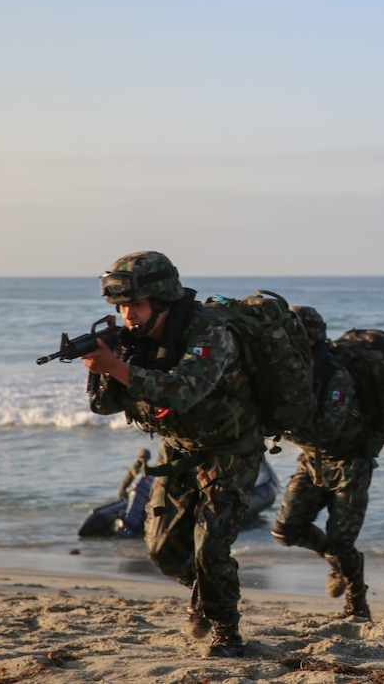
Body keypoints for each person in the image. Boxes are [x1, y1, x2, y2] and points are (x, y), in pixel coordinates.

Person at [82, 251, 266, 658]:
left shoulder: (209, 331)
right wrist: (100, 366)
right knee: (163, 551)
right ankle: (205, 592)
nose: (127, 314)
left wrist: (115, 366)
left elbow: (184, 391)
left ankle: (226, 631)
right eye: (122, 306)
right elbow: (105, 406)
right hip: (180, 449)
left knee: (211, 548)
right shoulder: (134, 339)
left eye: (136, 304)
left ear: (162, 300)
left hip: (230, 450)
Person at [270, 305, 384, 620]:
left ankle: (357, 603)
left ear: (311, 339)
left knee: (340, 545)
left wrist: (279, 424)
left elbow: (326, 430)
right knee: (285, 531)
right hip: (312, 461)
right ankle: (335, 564)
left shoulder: (337, 374)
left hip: (350, 463)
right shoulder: (291, 370)